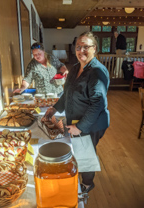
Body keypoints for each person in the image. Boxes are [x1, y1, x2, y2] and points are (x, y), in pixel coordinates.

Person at [44, 31, 110, 193]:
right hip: (75, 120)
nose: (81, 51)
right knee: (78, 150)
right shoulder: (74, 69)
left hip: (91, 123)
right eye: (78, 47)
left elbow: (97, 103)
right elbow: (67, 93)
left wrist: (80, 126)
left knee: (85, 153)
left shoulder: (97, 72)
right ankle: (80, 176)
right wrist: (55, 108)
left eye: (86, 47)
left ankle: (87, 184)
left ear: (94, 48)